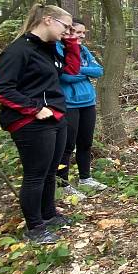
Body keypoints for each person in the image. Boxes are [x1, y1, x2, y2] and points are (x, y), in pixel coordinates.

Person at [0, 4, 80, 244]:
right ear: (48, 20)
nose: (68, 31)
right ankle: (35, 227)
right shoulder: (19, 50)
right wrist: (34, 109)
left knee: (51, 172)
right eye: (66, 26)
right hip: (30, 123)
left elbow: (69, 71)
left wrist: (71, 44)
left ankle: (49, 216)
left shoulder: (48, 49)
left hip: (56, 117)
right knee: (35, 176)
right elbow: (0, 88)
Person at [56, 18, 106, 195]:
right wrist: (82, 72)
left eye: (84, 33)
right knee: (67, 145)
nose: (82, 36)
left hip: (88, 102)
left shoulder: (83, 51)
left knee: (85, 143)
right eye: (78, 32)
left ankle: (85, 178)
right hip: (68, 103)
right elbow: (66, 77)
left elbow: (99, 71)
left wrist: (78, 69)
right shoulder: (58, 50)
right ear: (68, 32)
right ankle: (63, 184)